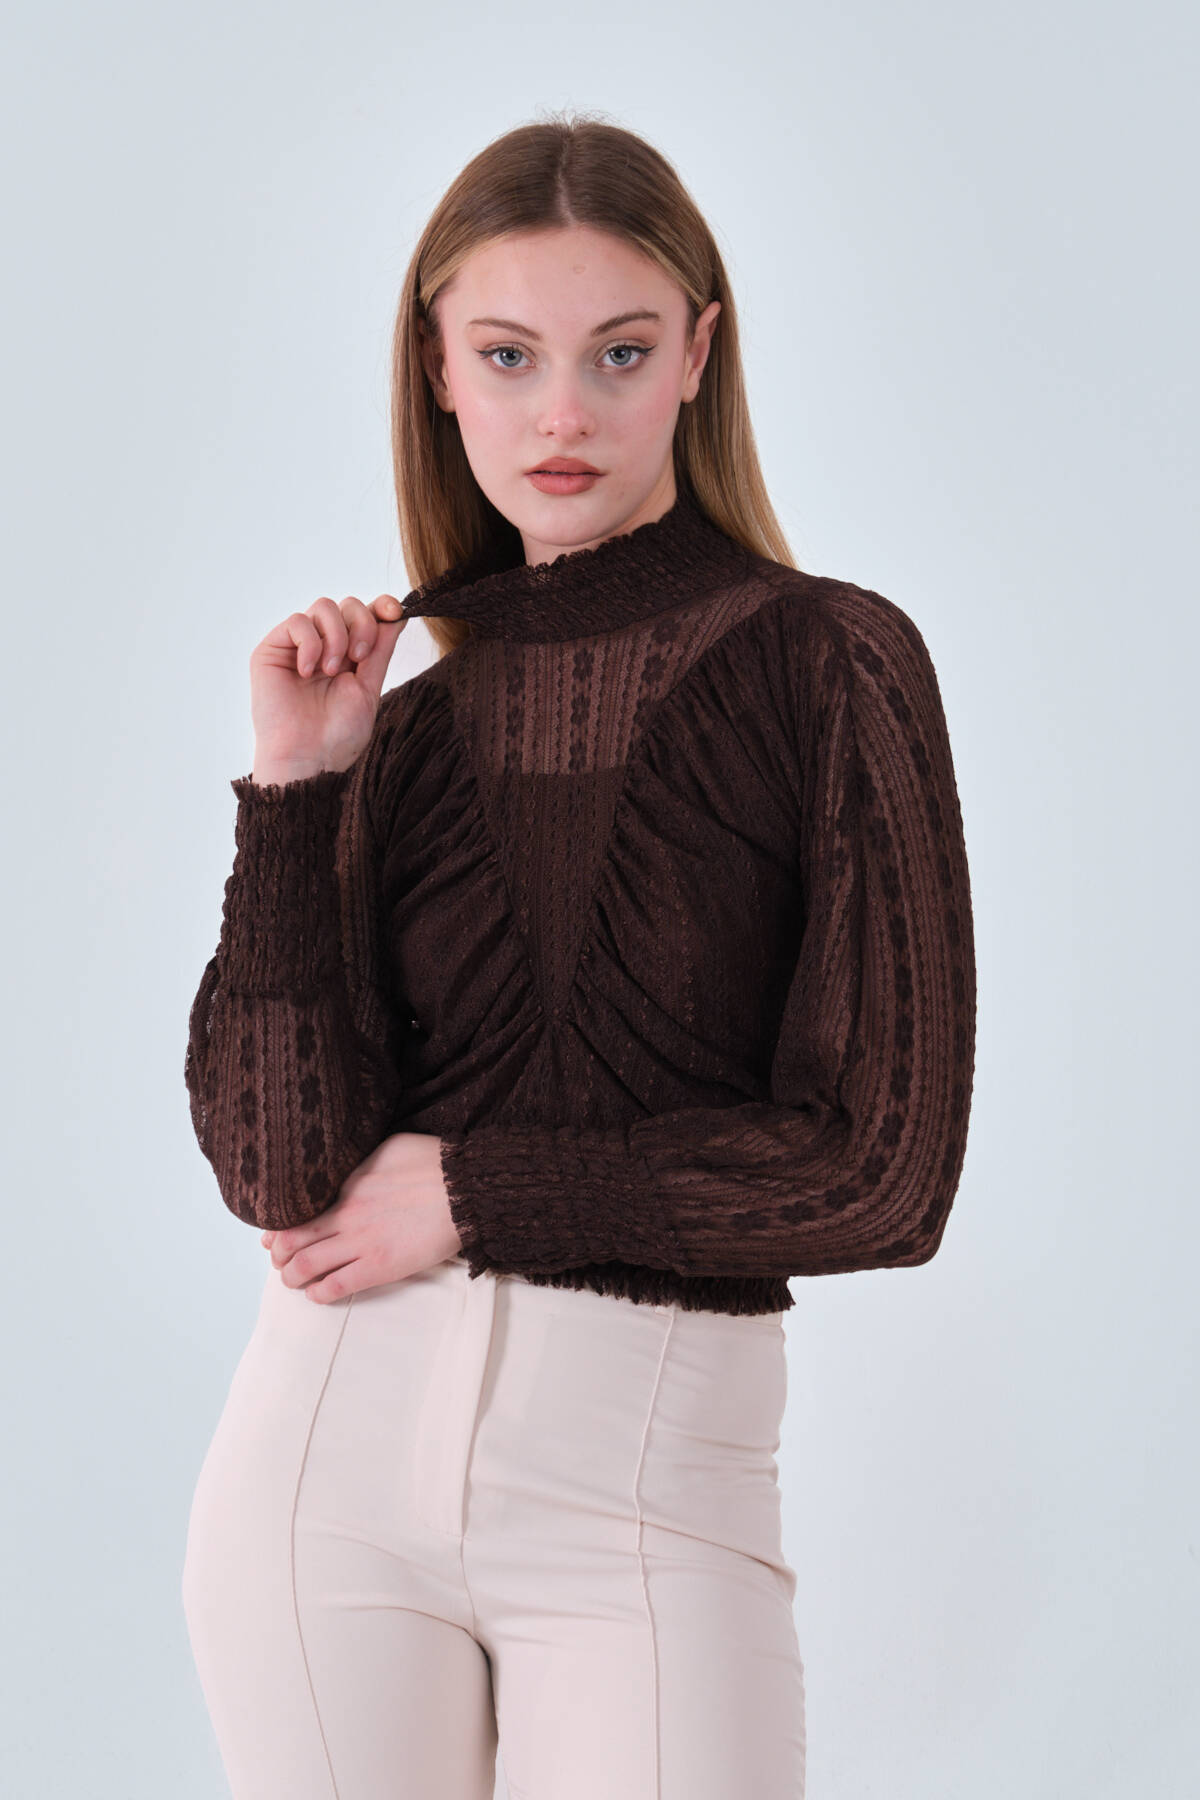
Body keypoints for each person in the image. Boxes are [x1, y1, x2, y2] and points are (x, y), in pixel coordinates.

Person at [179, 111, 976, 1800]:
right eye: (508, 355)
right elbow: (276, 1171)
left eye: (618, 351)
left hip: (648, 1483)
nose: (563, 412)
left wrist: (482, 1192)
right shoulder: (399, 730)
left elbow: (885, 1175)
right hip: (323, 1463)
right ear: (438, 370)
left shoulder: (828, 662)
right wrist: (297, 791)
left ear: (698, 352)